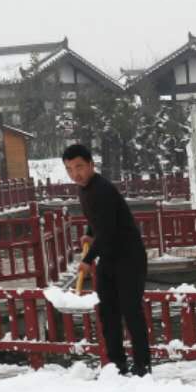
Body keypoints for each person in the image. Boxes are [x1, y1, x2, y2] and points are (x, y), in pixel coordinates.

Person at [63, 143, 151, 376]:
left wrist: (88, 258)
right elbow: (97, 221)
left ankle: (142, 367)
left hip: (129, 257)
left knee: (130, 311)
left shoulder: (102, 189)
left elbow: (109, 230)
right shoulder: (85, 189)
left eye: (79, 167)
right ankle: (116, 366)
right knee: (108, 312)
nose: (75, 174)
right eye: (69, 169)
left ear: (91, 165)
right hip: (109, 257)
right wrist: (89, 233)